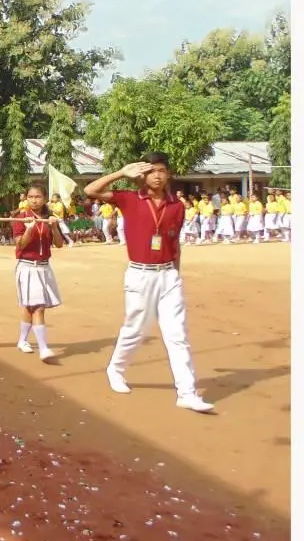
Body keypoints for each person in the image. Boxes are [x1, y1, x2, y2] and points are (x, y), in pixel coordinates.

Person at [84, 153, 214, 413]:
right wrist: (121, 172)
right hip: (140, 274)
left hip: (168, 275)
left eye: (161, 170)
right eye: (151, 171)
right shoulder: (129, 199)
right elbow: (90, 190)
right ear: (142, 175)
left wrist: (176, 274)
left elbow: (174, 243)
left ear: (168, 175)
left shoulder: (177, 206)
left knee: (177, 334)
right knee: (135, 329)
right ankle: (116, 369)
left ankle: (187, 393)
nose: (157, 175)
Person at [11, 184, 64, 362]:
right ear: (26, 198)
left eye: (38, 197)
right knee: (38, 307)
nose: (34, 200)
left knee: (30, 306)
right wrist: (29, 229)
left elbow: (59, 244)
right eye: (31, 197)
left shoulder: (50, 218)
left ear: (45, 198)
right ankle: (43, 348)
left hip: (44, 267)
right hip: (27, 267)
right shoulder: (21, 218)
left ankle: (22, 341)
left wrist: (54, 227)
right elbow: (21, 245)